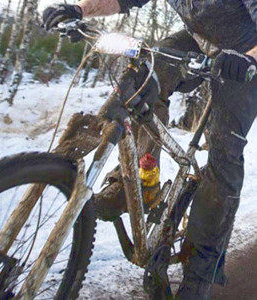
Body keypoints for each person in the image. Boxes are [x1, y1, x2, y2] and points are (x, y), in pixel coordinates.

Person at [43, 1, 257, 299]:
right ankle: (140, 183)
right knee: (138, 81)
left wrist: (250, 58)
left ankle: (200, 274)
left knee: (225, 153)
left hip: (246, 54)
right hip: (195, 40)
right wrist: (78, 11)